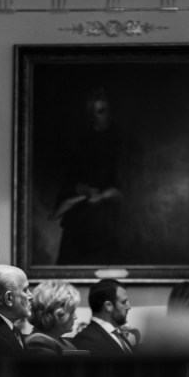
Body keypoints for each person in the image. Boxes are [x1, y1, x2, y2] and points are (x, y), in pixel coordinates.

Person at [51, 87, 124, 266]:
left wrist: (105, 194)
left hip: (110, 211)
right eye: (96, 112)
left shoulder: (121, 140)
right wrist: (80, 188)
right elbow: (71, 178)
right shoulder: (83, 141)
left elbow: (127, 182)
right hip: (82, 207)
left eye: (103, 111)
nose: (100, 116)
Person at [70, 278, 137, 356]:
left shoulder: (119, 335)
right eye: (123, 302)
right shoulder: (86, 341)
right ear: (108, 306)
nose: (129, 307)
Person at [24, 280, 84, 355]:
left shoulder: (66, 344)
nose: (75, 317)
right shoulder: (38, 342)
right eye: (72, 312)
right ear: (58, 313)